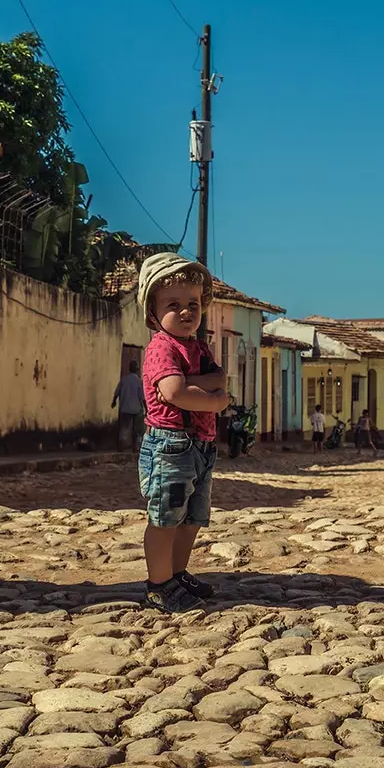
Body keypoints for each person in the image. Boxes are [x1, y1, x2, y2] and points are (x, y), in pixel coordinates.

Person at [137, 253, 230, 613]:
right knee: (165, 517)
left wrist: (195, 387)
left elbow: (217, 378)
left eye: (193, 303)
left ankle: (177, 573)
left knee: (192, 518)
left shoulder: (197, 347)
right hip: (170, 445)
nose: (187, 311)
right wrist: (214, 402)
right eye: (174, 305)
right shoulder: (161, 348)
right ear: (152, 312)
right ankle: (158, 584)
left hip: (201, 446)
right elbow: (174, 394)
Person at [112, 360, 147, 448]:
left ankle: (121, 446)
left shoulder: (124, 380)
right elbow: (142, 397)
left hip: (125, 408)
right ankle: (136, 447)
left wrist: (114, 401)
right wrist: (147, 409)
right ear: (137, 369)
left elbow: (117, 392)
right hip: (136, 409)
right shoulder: (139, 381)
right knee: (138, 429)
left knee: (124, 428)